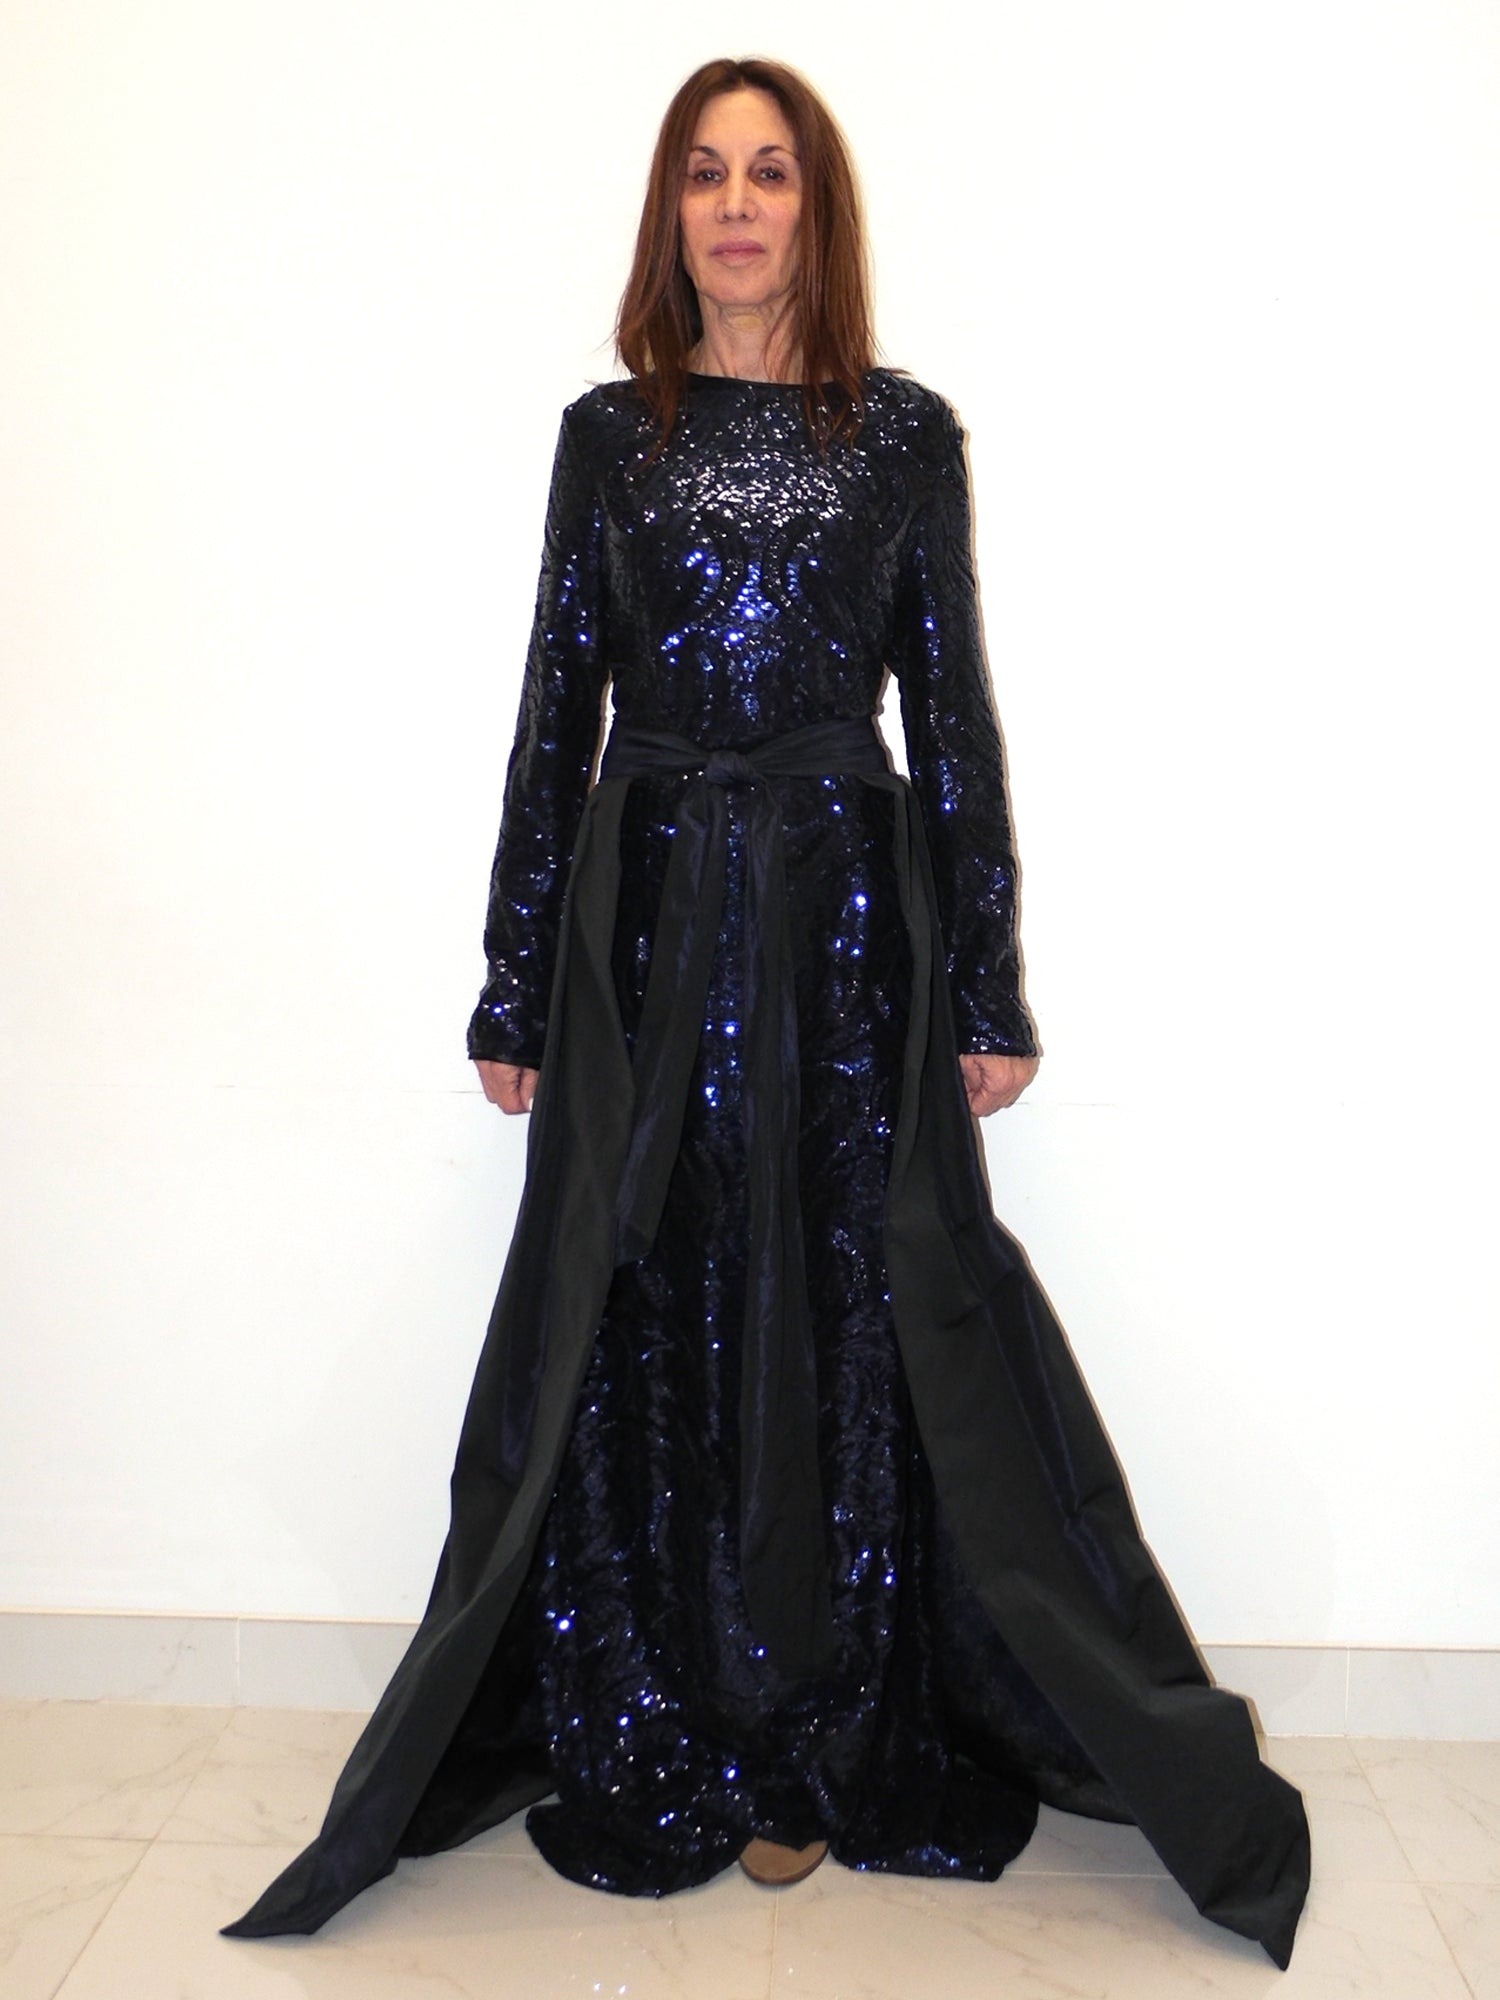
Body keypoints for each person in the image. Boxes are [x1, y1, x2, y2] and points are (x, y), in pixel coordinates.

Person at [224, 55, 1310, 1967]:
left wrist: (985, 978)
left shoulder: (903, 434)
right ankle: (663, 1718)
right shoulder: (607, 437)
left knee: (843, 1314)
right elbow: (555, 709)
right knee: (645, 1304)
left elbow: (952, 716)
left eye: (773, 173)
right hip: (643, 929)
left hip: (841, 932)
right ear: (671, 212)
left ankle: (818, 1738)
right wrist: (514, 975)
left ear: (819, 208)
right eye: (707, 174)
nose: (737, 206)